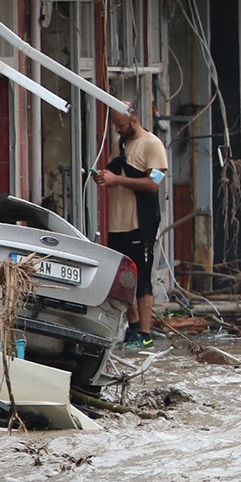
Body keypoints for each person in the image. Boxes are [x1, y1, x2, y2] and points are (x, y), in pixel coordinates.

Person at [95, 102, 169, 348]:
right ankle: (133, 323)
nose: (118, 130)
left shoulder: (152, 145)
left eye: (121, 125)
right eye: (115, 126)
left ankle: (145, 332)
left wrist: (118, 179)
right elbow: (114, 171)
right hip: (117, 222)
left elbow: (153, 184)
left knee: (142, 277)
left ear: (134, 120)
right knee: (120, 277)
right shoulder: (122, 144)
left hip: (140, 222)